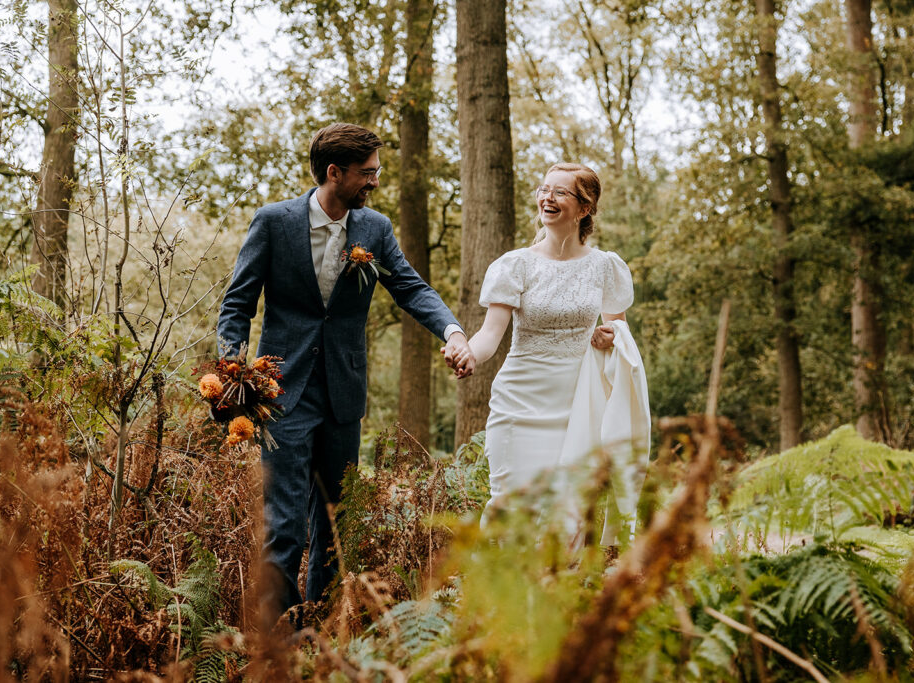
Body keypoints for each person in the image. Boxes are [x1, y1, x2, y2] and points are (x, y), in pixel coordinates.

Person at [217, 123, 475, 627]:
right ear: (334, 173)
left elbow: (410, 288)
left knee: (337, 520)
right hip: (280, 394)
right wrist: (233, 368)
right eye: (368, 173)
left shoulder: (374, 229)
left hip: (343, 396)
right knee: (285, 523)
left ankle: (320, 630)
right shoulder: (273, 222)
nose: (374, 182)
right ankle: (279, 639)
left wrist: (453, 332)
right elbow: (237, 304)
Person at [448, 162, 639, 528]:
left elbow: (618, 332)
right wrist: (468, 352)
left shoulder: (606, 267)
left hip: (578, 403)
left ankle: (554, 583)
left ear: (584, 208)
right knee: (511, 502)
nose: (547, 198)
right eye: (544, 188)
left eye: (560, 192)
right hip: (520, 399)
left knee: (565, 509)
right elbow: (491, 334)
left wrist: (608, 336)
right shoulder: (515, 265)